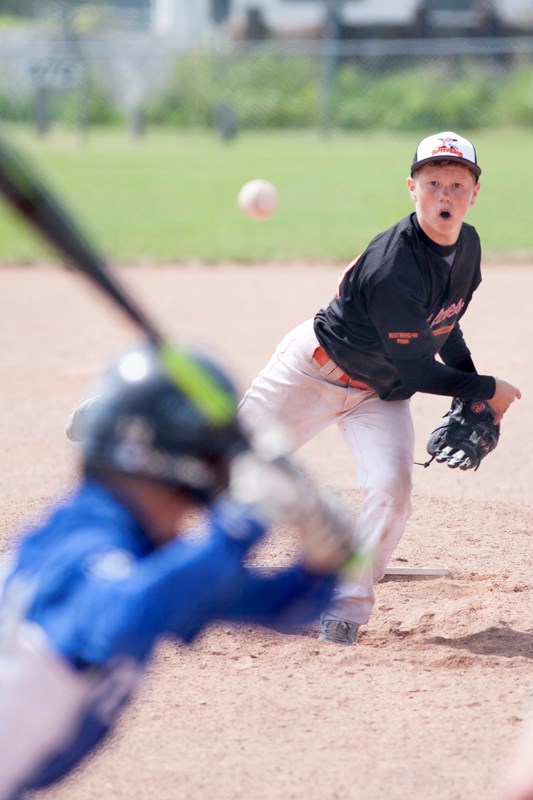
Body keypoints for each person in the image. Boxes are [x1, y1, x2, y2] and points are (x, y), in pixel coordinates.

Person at [0, 340, 354, 800]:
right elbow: (126, 617)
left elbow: (281, 608)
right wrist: (242, 522)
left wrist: (321, 563)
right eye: (216, 458)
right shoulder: (78, 542)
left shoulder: (144, 557)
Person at [237, 130, 522, 647]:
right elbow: (417, 372)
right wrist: (488, 388)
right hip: (312, 373)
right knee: (227, 463)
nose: (445, 194)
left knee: (392, 492)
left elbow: (444, 326)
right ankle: (137, 430)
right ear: (411, 188)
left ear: (474, 194)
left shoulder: (469, 247)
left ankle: (343, 610)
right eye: (432, 181)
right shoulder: (395, 263)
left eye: (458, 184)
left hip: (378, 394)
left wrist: (472, 393)